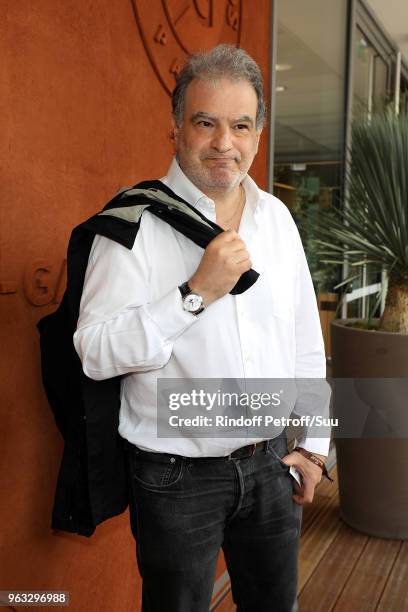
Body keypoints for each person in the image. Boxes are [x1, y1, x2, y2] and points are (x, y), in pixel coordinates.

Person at [73, 44, 331, 612]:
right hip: (175, 479)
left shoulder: (278, 219)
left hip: (271, 467)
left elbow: (306, 346)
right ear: (176, 128)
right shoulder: (133, 223)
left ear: (259, 134)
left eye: (240, 125)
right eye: (205, 122)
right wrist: (194, 295)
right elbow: (93, 350)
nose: (224, 143)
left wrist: (314, 447)